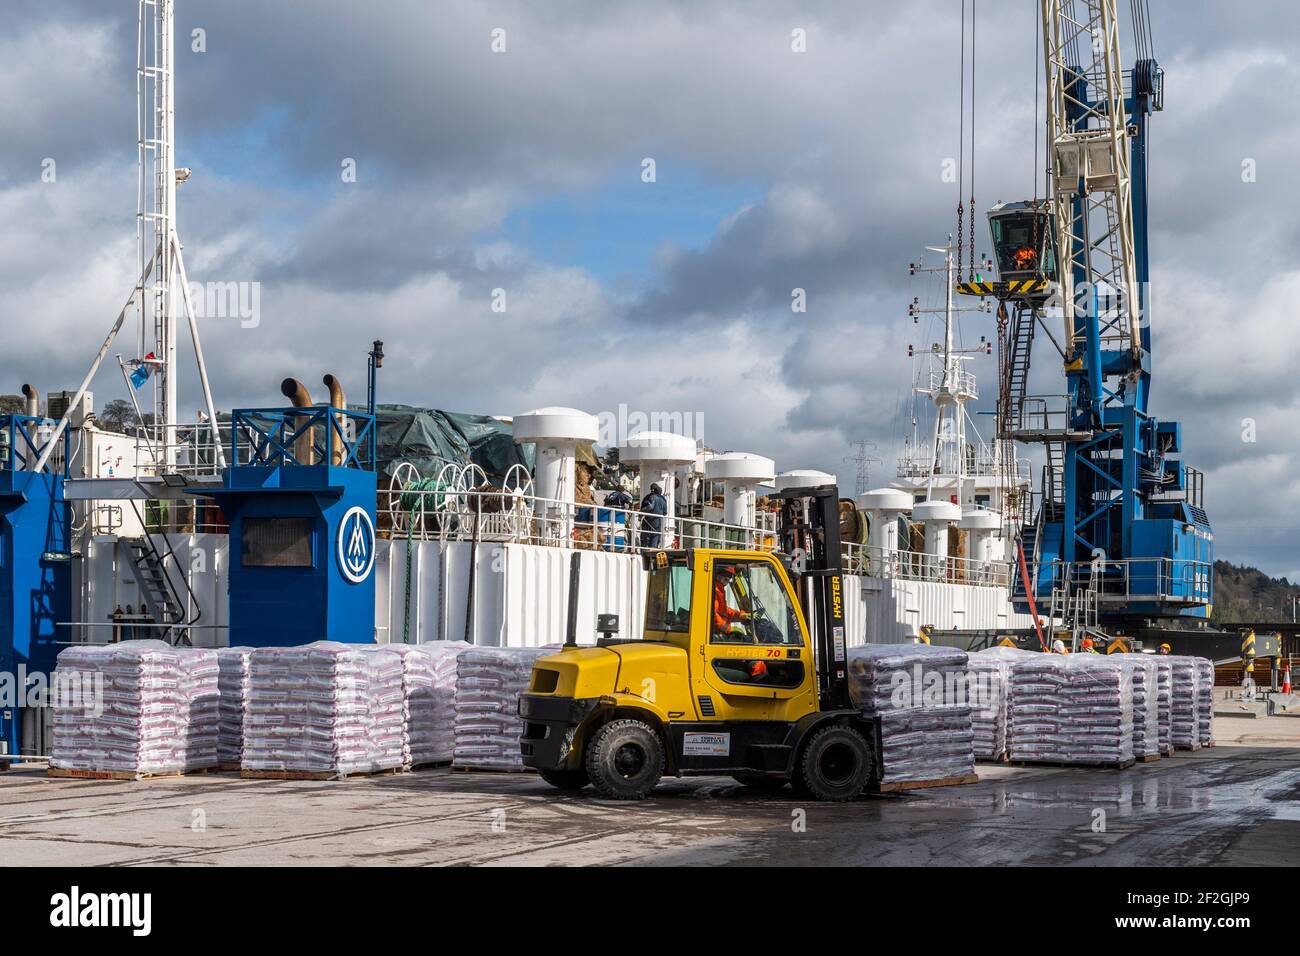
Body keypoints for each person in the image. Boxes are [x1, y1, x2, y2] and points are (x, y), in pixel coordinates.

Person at [713, 565, 752, 639]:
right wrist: (728, 629)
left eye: (729, 578)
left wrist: (741, 615)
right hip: (715, 633)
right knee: (745, 641)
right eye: (726, 578)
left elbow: (723, 611)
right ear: (718, 575)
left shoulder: (719, 590)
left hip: (718, 631)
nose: (727, 581)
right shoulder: (714, 590)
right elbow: (711, 613)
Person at [639, 483, 668, 549]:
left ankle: (645, 549)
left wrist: (641, 511)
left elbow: (650, 507)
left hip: (650, 519)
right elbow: (665, 512)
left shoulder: (651, 497)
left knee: (646, 535)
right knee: (656, 535)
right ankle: (653, 549)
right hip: (659, 520)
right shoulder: (663, 499)